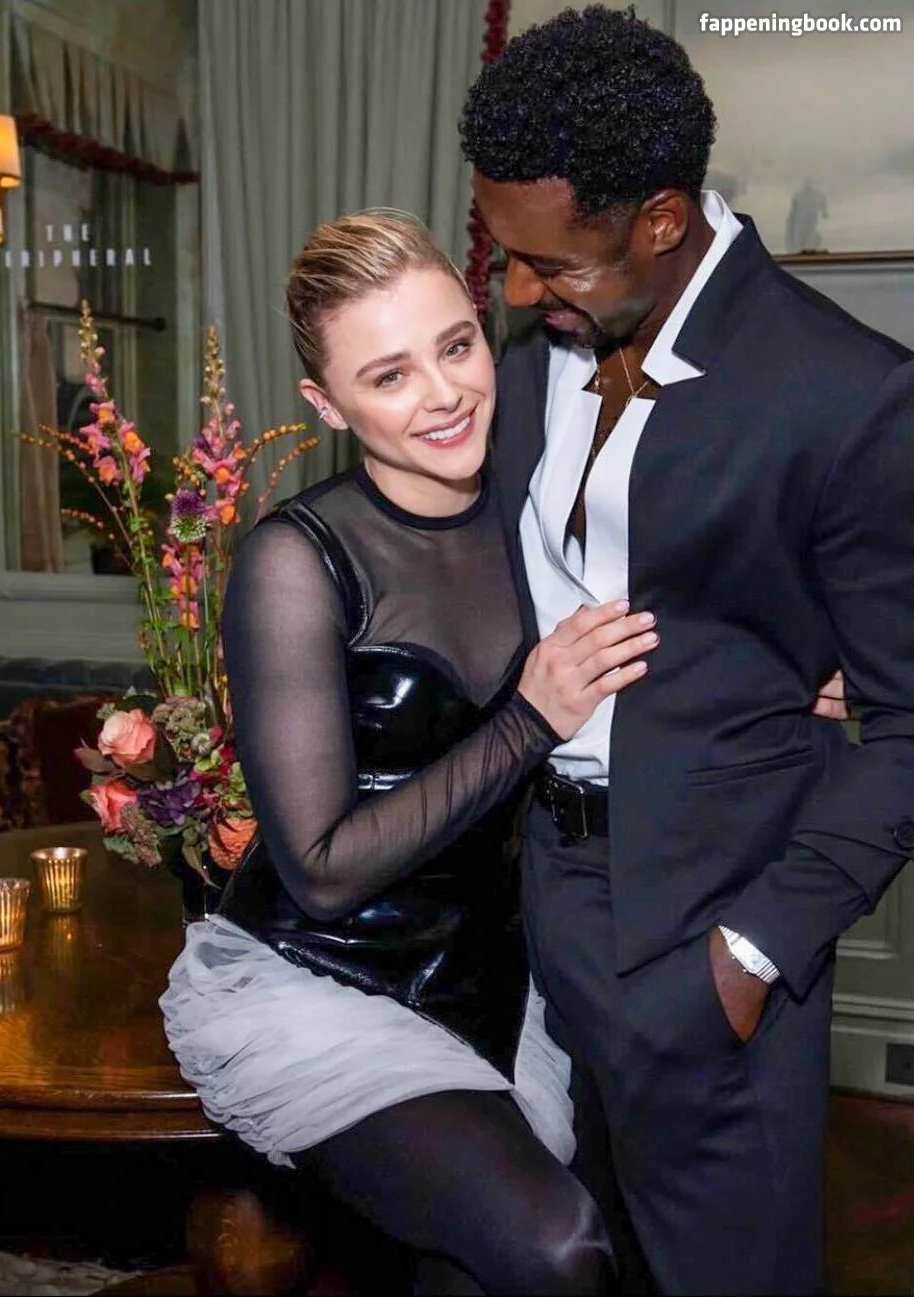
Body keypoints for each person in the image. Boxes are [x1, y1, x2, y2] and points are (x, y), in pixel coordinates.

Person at [458, 7, 914, 1295]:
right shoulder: (530, 356)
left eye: (550, 264)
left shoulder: (848, 393)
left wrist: (749, 955)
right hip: (537, 915)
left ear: (660, 219)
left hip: (707, 942)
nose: (518, 293)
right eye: (505, 256)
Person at [161, 210, 666, 1296]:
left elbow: (661, 618)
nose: (444, 394)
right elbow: (320, 866)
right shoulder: (295, 560)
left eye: (455, 345)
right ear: (327, 404)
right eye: (389, 375)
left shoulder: (538, 512)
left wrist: (795, 678)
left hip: (505, 980)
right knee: (557, 1247)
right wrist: (528, 719)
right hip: (325, 986)